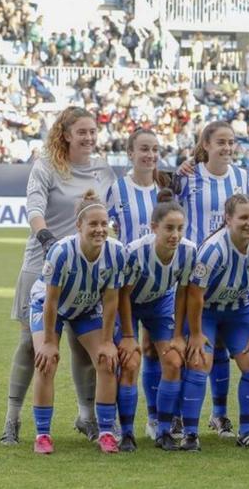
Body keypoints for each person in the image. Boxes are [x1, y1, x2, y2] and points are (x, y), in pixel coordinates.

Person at [2, 106, 117, 446]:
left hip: (87, 272)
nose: (89, 137)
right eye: (81, 132)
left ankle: (86, 417)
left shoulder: (103, 170)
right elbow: (34, 209)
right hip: (43, 263)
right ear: (66, 135)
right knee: (31, 345)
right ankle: (13, 420)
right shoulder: (47, 166)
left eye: (93, 131)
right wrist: (47, 239)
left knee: (82, 348)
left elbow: (113, 209)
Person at [29, 190, 126, 454]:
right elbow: (50, 301)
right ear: (79, 226)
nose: (99, 229)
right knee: (46, 362)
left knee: (107, 361)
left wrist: (106, 342)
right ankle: (43, 435)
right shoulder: (61, 252)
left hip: (86, 307)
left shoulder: (116, 253)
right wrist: (49, 342)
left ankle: (106, 431)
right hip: (51, 306)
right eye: (93, 224)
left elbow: (110, 300)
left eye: (104, 224)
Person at [181, 193, 249, 451]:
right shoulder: (213, 250)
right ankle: (190, 433)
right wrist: (197, 333)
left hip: (239, 310)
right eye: (243, 217)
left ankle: (247, 431)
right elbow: (195, 296)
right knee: (200, 360)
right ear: (228, 219)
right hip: (208, 311)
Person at [175, 121, 249, 439]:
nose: (227, 147)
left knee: (219, 347)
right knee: (190, 347)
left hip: (231, 272)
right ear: (205, 144)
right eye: (221, 141)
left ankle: (219, 416)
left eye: (231, 142)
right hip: (194, 272)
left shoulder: (242, 177)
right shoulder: (189, 175)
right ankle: (178, 416)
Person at [105, 129, 172, 441]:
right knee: (127, 355)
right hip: (126, 290)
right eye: (144, 149)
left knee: (160, 352)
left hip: (162, 289)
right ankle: (119, 423)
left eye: (155, 150)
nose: (150, 155)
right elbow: (103, 228)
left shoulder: (166, 188)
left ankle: (157, 420)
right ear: (130, 153)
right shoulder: (117, 189)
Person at [119, 189, 197, 451]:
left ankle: (163, 430)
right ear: (154, 227)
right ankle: (126, 432)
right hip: (129, 305)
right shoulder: (135, 252)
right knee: (130, 362)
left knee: (174, 360)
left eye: (180, 228)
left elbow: (184, 292)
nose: (175, 235)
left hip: (161, 304)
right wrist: (129, 337)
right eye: (169, 228)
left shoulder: (188, 251)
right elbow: (122, 296)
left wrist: (177, 335)